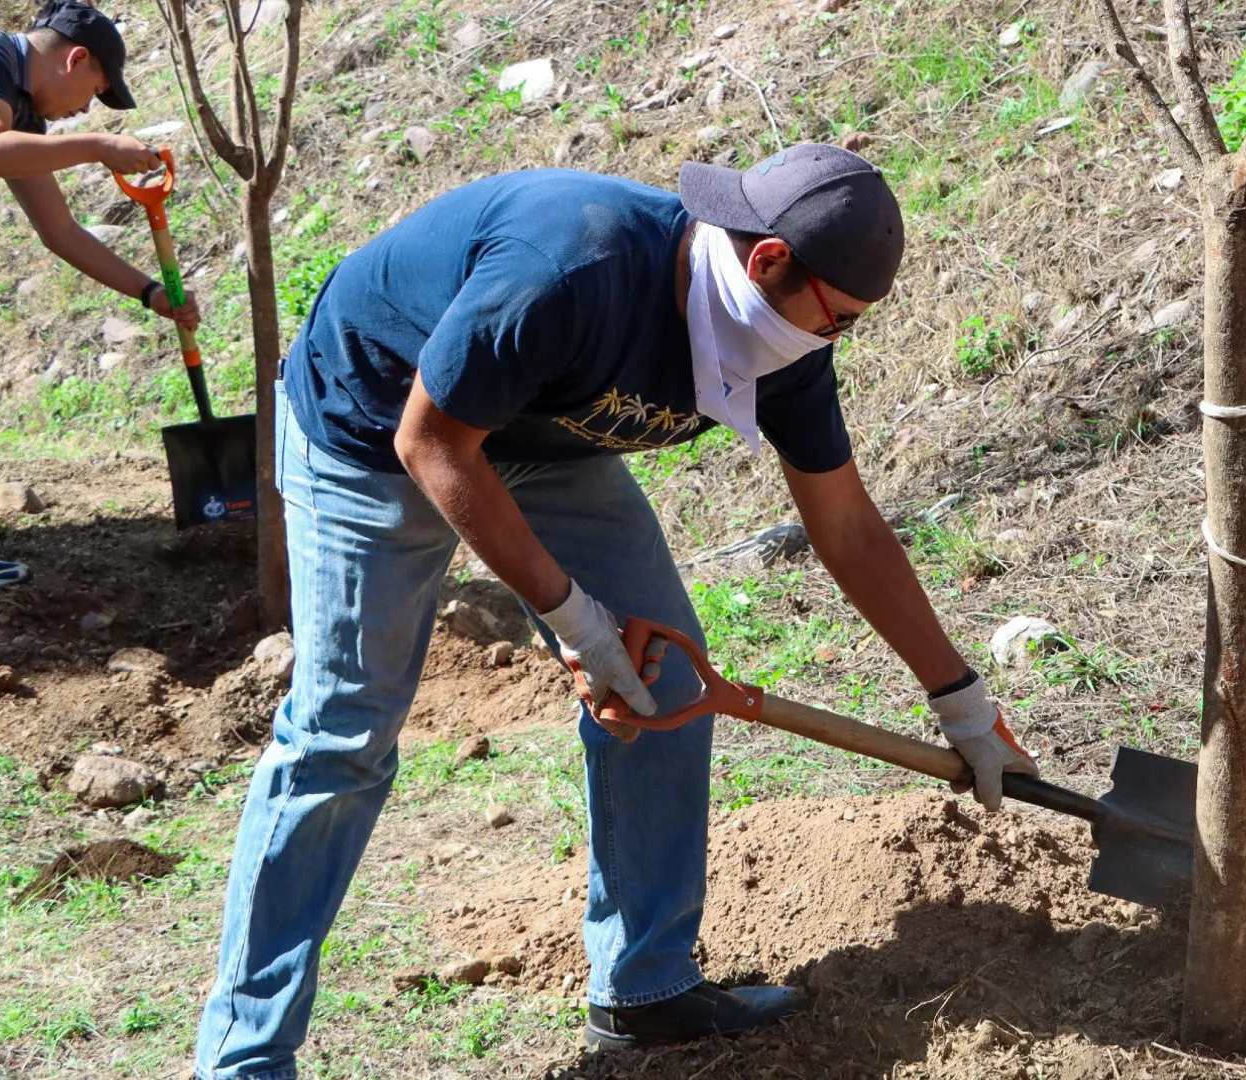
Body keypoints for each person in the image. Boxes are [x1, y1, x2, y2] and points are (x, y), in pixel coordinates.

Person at [192, 144, 1040, 1077]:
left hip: (539, 442)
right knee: (342, 734)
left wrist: (958, 697)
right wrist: (576, 622)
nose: (837, 339)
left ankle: (644, 987)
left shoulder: (785, 337)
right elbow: (433, 444)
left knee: (666, 678)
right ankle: (243, 1057)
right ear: (766, 261)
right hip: (375, 422)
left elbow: (846, 526)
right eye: (838, 319)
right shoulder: (573, 268)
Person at [0, 0, 199, 588]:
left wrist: (150, 294)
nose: (85, 108)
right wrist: (97, 143)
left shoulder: (23, 120)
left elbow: (60, 233)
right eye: (95, 90)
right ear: (76, 58)